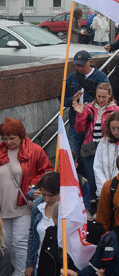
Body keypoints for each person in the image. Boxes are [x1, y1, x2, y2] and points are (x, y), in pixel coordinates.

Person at [0, 117, 53, 276]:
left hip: (24, 204)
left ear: (21, 136)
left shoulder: (35, 150)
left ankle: (22, 272)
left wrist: (34, 187)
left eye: (12, 138)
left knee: (21, 242)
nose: (8, 142)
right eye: (5, 138)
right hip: (3, 205)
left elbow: (47, 171)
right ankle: (15, 269)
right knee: (7, 245)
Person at [72, 83, 119, 199]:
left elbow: (117, 131)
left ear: (110, 95)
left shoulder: (115, 109)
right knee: (92, 177)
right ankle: (94, 200)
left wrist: (109, 122)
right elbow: (79, 129)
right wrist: (80, 114)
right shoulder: (89, 107)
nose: (101, 99)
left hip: (106, 146)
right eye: (99, 96)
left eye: (104, 97)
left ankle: (103, 199)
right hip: (90, 146)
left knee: (105, 176)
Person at [63, 50, 109, 156]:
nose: (79, 68)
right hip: (76, 121)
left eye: (82, 65)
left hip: (92, 123)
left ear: (90, 62)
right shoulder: (71, 78)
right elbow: (63, 101)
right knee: (72, 153)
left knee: (90, 154)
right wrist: (72, 100)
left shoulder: (101, 78)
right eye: (77, 65)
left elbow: (107, 99)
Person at [25, 172, 60, 276]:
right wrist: (29, 264)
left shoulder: (69, 209)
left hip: (59, 268)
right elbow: (32, 235)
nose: (47, 199)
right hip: (39, 266)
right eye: (44, 194)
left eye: (51, 195)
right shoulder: (38, 205)